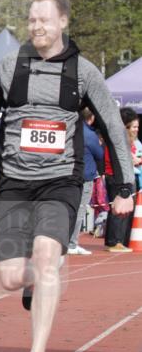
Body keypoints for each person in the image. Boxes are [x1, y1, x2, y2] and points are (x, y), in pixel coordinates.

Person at [0, 0, 135, 352]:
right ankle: (37, 278)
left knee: (46, 255)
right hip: (15, 183)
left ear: (63, 23)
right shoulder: (9, 68)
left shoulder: (84, 73)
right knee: (8, 277)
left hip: (61, 181)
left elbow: (111, 128)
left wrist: (125, 186)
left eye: (45, 20)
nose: (37, 26)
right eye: (32, 19)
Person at [67, 108, 103, 255]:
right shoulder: (89, 134)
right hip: (85, 175)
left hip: (68, 174)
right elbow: (99, 153)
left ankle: (65, 242)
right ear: (92, 117)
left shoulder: (70, 128)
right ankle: (72, 243)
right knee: (79, 210)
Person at [104, 107, 141, 252]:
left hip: (122, 175)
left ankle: (117, 240)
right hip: (117, 176)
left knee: (122, 209)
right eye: (134, 127)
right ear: (125, 126)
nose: (136, 130)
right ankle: (115, 241)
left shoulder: (125, 139)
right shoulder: (119, 139)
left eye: (137, 127)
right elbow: (119, 159)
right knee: (119, 210)